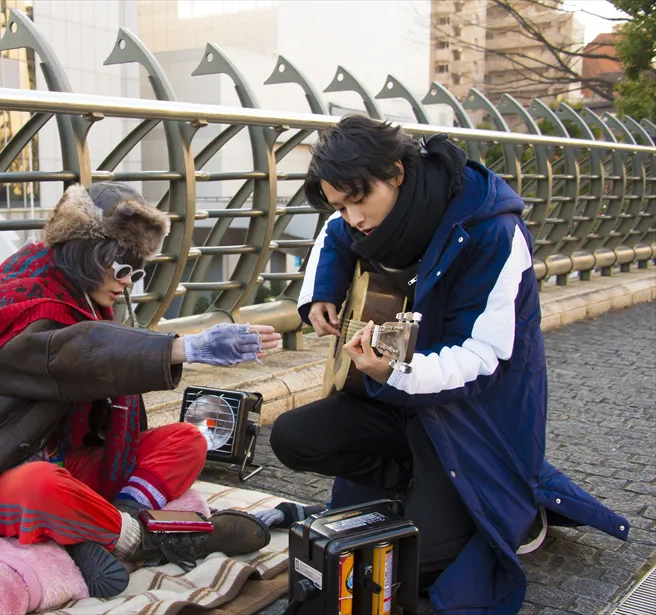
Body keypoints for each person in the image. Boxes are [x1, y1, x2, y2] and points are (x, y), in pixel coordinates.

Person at [267, 116, 629, 613]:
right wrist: (321, 294)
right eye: (341, 204)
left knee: (415, 565)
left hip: (473, 418)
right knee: (292, 436)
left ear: (396, 172)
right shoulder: (369, 218)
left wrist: (394, 372)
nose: (353, 218)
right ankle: (416, 487)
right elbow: (334, 232)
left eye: (358, 200)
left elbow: (483, 357)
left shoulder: (491, 232)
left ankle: (515, 511)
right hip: (401, 403)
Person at [0, 182, 278, 599]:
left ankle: (104, 525)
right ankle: (148, 539)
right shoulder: (10, 299)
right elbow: (76, 353)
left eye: (137, 271)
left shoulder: (84, 294)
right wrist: (188, 346)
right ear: (87, 253)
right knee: (43, 485)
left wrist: (181, 348)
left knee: (187, 440)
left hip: (70, 460)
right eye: (123, 268)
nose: (128, 283)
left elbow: (101, 349)